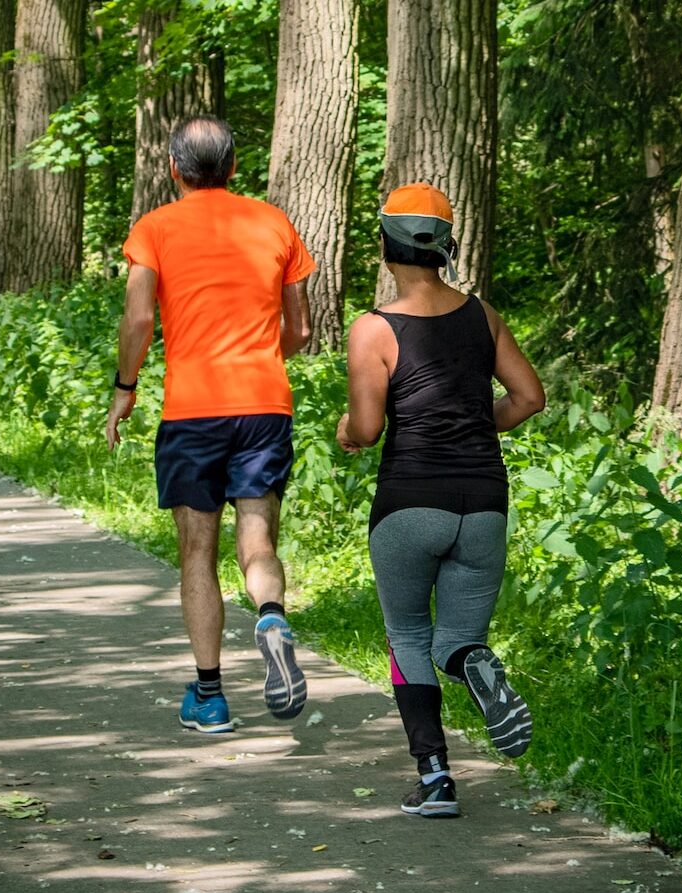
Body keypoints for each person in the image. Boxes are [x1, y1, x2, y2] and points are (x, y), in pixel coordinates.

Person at [337, 182, 546, 818]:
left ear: (385, 246)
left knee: (407, 635)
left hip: (409, 502)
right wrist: (476, 424)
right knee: (455, 638)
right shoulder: (482, 316)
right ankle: (474, 661)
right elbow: (529, 398)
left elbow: (368, 430)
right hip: (483, 502)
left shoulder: (373, 329)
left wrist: (345, 432)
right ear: (444, 246)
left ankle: (434, 780)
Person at [106, 116, 314, 734]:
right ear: (232, 167)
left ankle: (211, 696)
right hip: (263, 406)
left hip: (193, 411)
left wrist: (125, 387)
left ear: (174, 168)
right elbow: (299, 330)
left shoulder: (154, 229)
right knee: (258, 537)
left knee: (198, 551)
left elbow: (140, 320)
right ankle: (272, 616)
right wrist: (262, 362)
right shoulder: (273, 222)